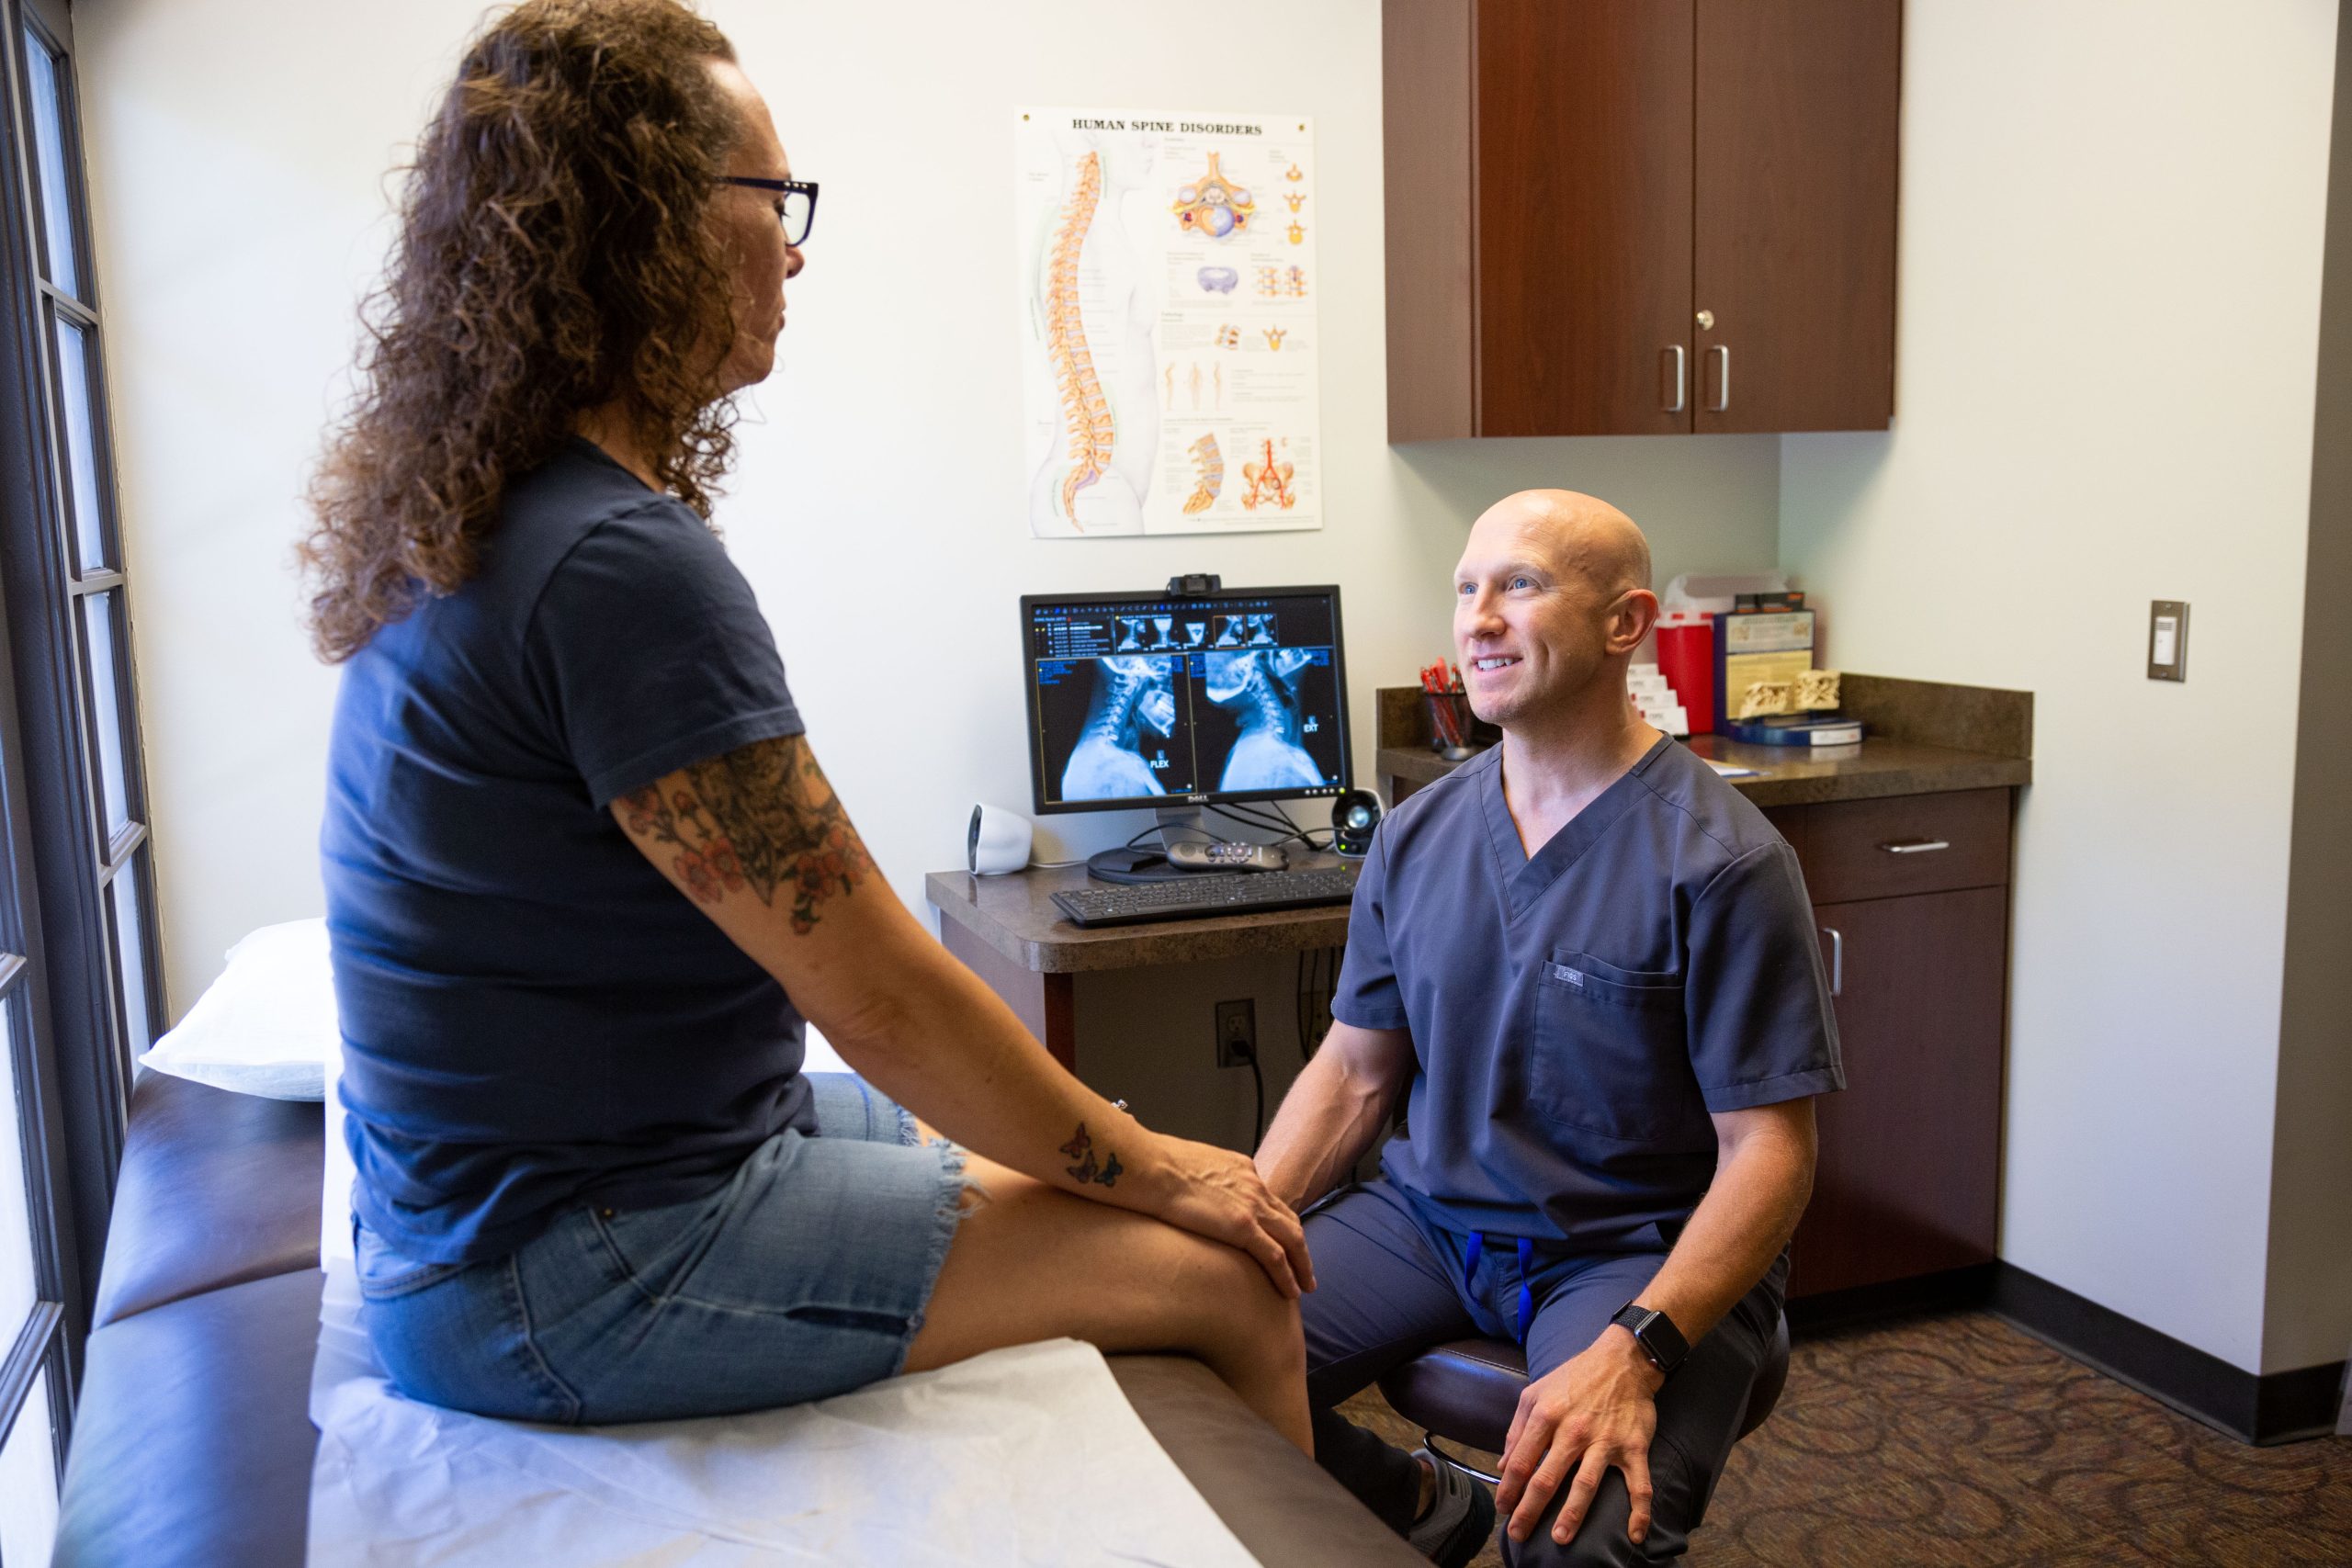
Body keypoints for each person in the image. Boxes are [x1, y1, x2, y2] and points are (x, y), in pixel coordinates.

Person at [304, 0, 1309, 1448]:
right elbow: (879, 991)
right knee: (1224, 1269)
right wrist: (1155, 1172)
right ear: (641, 223)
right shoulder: (614, 564)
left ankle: (1364, 1494)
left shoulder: (492, 513)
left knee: (1096, 1154)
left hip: (526, 1208)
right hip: (562, 1268)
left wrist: (1120, 1154)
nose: (791, 247)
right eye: (772, 199)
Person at [1255, 491, 1844, 1564]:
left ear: (1626, 624)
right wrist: (1240, 1224)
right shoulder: (1417, 833)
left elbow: (1772, 1156)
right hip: (1431, 1218)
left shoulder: (1722, 861)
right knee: (1177, 1363)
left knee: (1574, 1532)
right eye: (1465, 588)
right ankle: (1414, 1503)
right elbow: (1352, 1073)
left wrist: (1639, 1347)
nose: (1478, 617)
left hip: (1632, 1244)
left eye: (1518, 584)